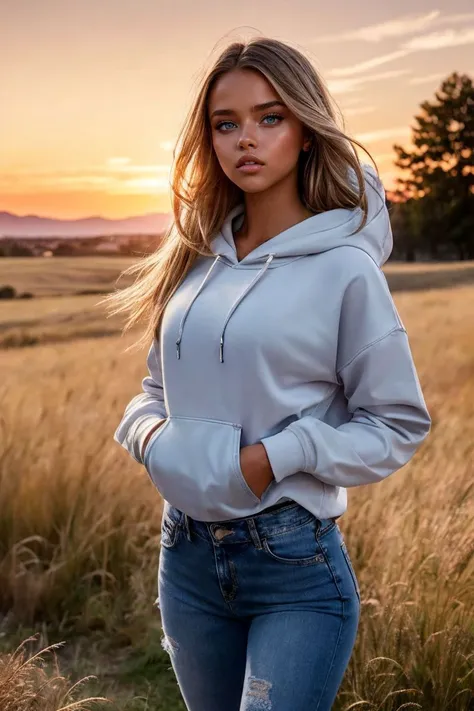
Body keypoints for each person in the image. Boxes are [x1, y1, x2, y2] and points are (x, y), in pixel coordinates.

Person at [105, 36, 431, 711]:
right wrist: (149, 440)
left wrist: (275, 457)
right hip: (186, 559)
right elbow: (154, 392)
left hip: (292, 562)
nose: (245, 139)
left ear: (306, 131)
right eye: (226, 124)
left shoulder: (345, 268)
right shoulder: (195, 260)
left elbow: (398, 422)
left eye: (269, 118)